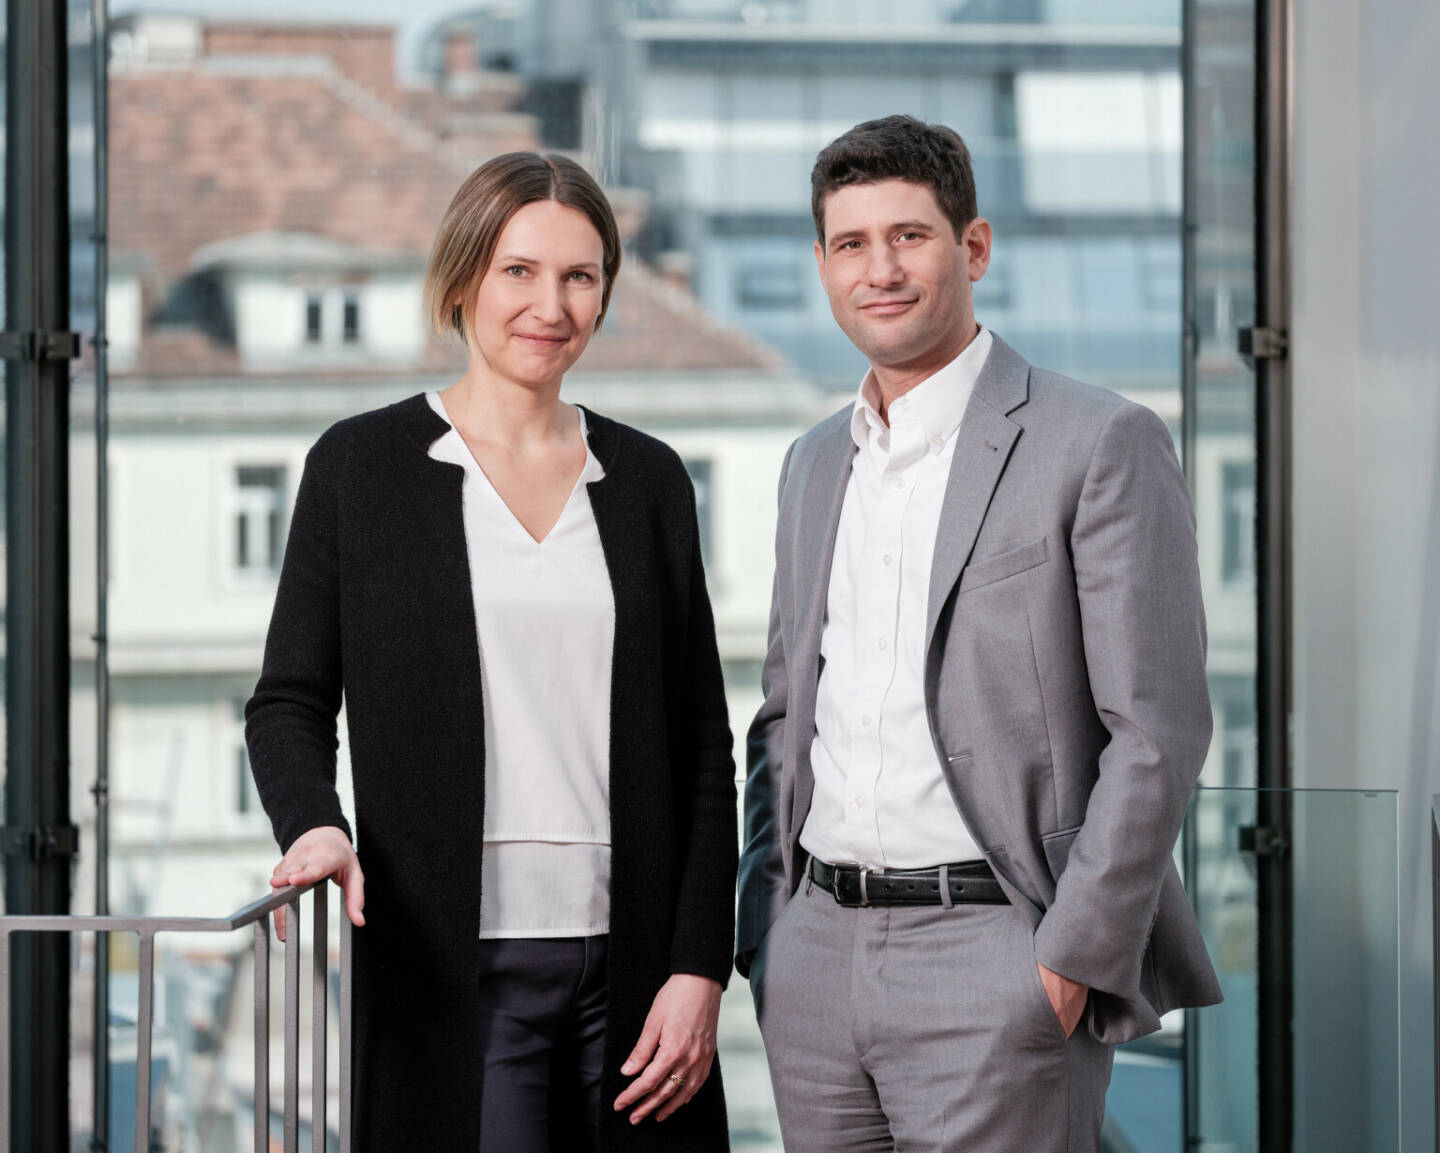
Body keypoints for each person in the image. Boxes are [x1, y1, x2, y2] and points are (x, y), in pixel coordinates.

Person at [736, 115, 1222, 1153]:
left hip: (996, 948)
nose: (881, 269)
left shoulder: (1097, 441)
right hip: (816, 953)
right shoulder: (814, 460)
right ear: (821, 264)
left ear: (975, 247)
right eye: (851, 244)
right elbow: (783, 713)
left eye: (910, 236)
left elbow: (1158, 729)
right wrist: (766, 931)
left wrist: (1069, 957)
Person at [247, 151, 737, 1153]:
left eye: (581, 275)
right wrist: (315, 823)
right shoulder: (361, 467)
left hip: (635, 962)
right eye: (520, 270)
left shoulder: (648, 480)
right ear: (466, 275)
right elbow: (290, 699)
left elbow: (702, 747)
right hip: (448, 960)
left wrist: (700, 967)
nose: (550, 304)